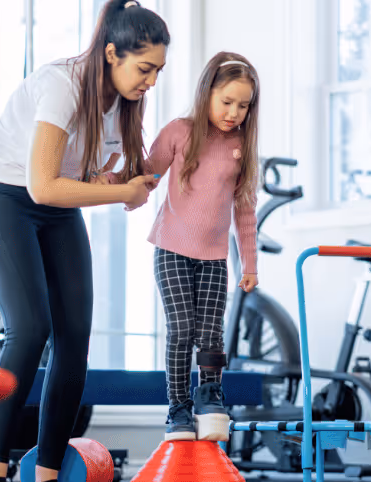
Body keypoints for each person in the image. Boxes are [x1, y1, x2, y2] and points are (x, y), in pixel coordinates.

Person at [0, 0, 168, 482]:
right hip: (0, 195)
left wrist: (116, 183)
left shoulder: (122, 104)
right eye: (144, 69)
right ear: (112, 53)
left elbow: (83, 178)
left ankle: (47, 480)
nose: (150, 82)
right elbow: (44, 184)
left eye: (158, 72)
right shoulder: (62, 84)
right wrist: (120, 196)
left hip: (53, 207)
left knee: (74, 338)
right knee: (29, 329)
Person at [109, 52, 261, 442]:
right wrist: (118, 186)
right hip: (172, 249)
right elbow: (148, 173)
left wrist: (250, 264)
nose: (234, 112)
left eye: (243, 106)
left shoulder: (241, 146)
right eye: (226, 102)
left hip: (214, 258)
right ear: (207, 92)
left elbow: (245, 208)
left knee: (211, 333)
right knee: (181, 329)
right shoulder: (179, 131)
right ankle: (178, 407)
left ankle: (209, 396)